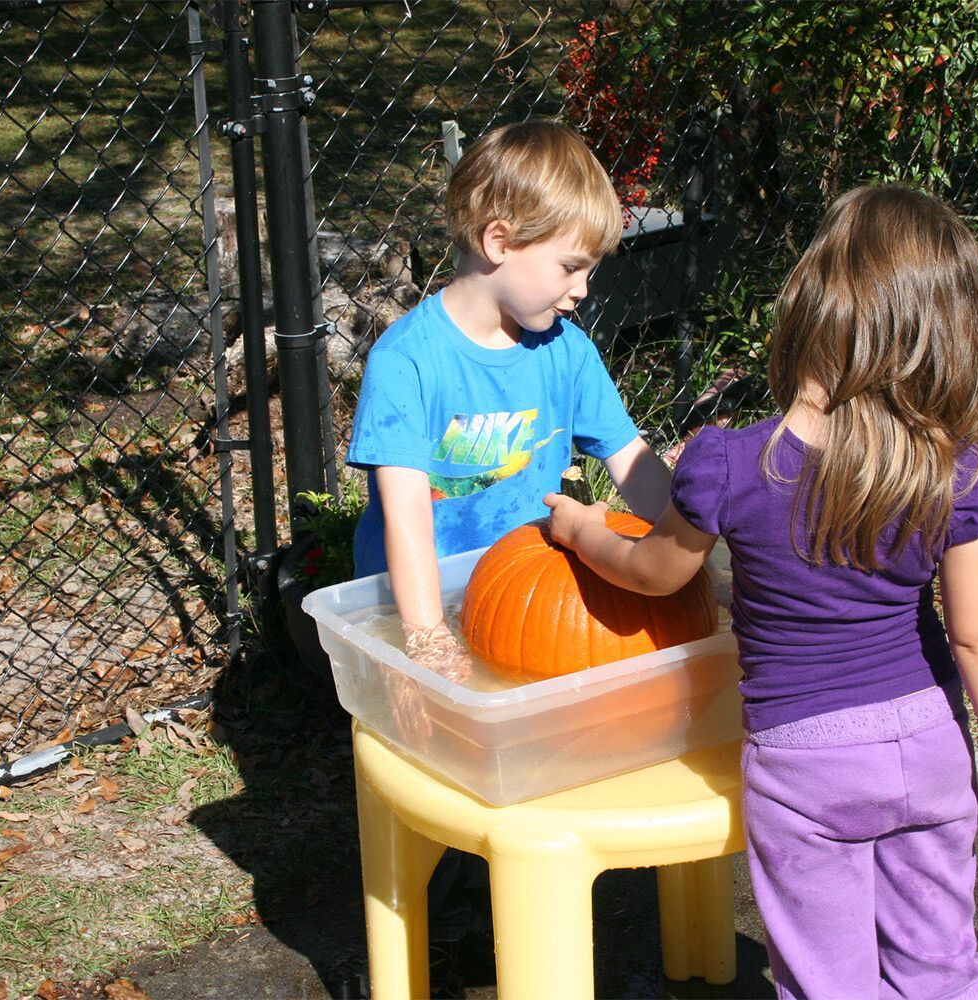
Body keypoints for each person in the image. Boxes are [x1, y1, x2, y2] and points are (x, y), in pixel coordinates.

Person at [544, 184, 978, 1000]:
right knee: (942, 967)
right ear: (948, 332)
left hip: (806, 762)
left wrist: (580, 530)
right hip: (928, 747)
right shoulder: (958, 476)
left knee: (830, 981)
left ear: (811, 306)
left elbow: (653, 572)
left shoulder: (730, 463)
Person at [345, 119, 673, 971]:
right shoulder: (409, 362)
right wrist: (421, 641)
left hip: (530, 590)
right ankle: (447, 882)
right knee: (439, 765)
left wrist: (690, 535)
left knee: (542, 744)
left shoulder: (565, 352)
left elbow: (630, 459)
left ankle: (532, 871)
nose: (583, 290)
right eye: (572, 266)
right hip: (426, 594)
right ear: (499, 241)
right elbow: (405, 517)